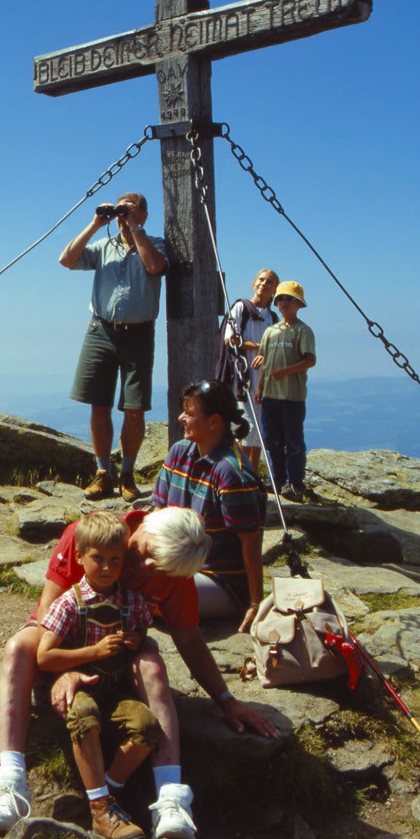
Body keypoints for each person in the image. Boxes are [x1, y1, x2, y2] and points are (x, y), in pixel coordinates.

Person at [0, 506, 279, 839]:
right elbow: (49, 607)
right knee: (18, 648)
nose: (147, 567)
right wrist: (66, 669)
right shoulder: (92, 535)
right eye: (147, 552)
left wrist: (226, 700)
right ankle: (12, 786)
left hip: (118, 650)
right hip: (63, 638)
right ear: (146, 523)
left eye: (159, 566)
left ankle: (170, 800)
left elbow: (189, 636)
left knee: (151, 664)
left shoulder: (174, 569)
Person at [36, 511, 159, 839]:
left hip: (117, 689)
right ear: (79, 556)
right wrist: (93, 653)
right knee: (85, 717)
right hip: (79, 685)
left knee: (147, 727)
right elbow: (44, 657)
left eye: (115, 560)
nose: (106, 568)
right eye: (98, 559)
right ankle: (102, 811)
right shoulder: (69, 603)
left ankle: (107, 790)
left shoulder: (132, 601)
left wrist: (134, 639)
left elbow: (142, 630)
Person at [59, 193, 168, 499]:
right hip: (100, 330)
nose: (123, 215)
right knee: (99, 404)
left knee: (134, 409)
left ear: (144, 214)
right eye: (121, 210)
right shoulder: (103, 247)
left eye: (130, 209)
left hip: (138, 334)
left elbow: (155, 266)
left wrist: (135, 229)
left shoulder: (155, 244)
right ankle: (102, 472)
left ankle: (128, 476)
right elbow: (67, 259)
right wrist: (96, 222)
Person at [152, 380, 265, 631]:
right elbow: (156, 515)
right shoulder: (179, 452)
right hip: (178, 564)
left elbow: (251, 541)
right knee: (113, 574)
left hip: (219, 581)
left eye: (189, 414)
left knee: (148, 593)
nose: (181, 417)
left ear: (214, 422)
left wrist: (255, 603)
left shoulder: (232, 473)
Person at [253, 280, 316, 503]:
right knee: (272, 441)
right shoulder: (270, 331)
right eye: (280, 299)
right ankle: (278, 480)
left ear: (298, 304)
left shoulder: (303, 331)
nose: (283, 303)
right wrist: (260, 387)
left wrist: (285, 371)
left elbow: (310, 360)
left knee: (294, 442)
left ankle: (295, 484)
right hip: (271, 396)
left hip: (292, 397)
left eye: (288, 299)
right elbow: (265, 363)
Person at [217, 268, 279, 469]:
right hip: (242, 377)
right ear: (254, 283)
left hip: (263, 380)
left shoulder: (272, 317)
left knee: (259, 429)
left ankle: (251, 475)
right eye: (261, 280)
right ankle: (240, 473)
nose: (264, 284)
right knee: (246, 427)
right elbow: (230, 340)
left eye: (269, 282)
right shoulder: (241, 308)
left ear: (275, 289)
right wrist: (260, 347)